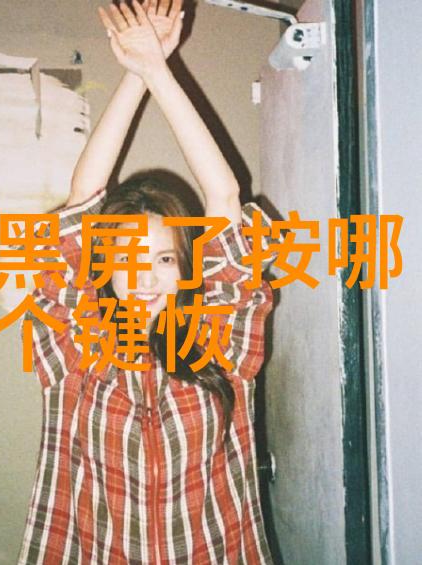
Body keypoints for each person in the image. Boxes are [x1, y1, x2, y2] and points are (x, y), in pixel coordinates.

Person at [17, 1, 279, 563]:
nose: (144, 277)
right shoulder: (74, 343)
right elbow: (83, 198)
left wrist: (159, 70)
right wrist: (135, 72)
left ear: (187, 267)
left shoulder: (221, 340)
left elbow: (224, 199)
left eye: (163, 259)